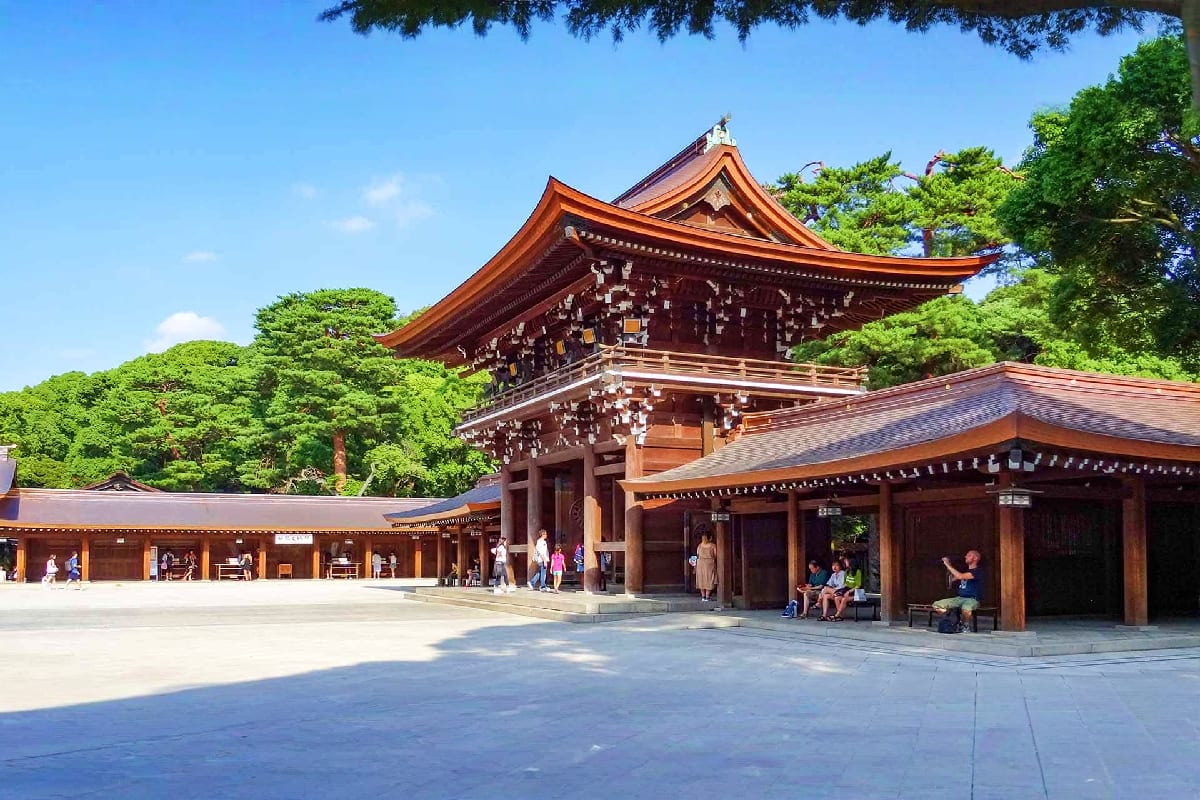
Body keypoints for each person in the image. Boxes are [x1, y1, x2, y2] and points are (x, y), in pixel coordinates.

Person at [933, 550, 984, 632]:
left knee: (966, 607)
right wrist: (948, 564)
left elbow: (960, 576)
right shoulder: (965, 571)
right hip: (959, 598)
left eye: (969, 555)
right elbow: (952, 579)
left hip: (972, 599)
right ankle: (952, 620)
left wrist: (947, 565)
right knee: (937, 605)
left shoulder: (977, 571)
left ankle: (964, 626)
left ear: (975, 558)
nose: (966, 557)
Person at [694, 533, 718, 602]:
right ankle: (707, 596)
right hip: (709, 563)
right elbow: (715, 555)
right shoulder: (712, 545)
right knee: (709, 578)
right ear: (710, 538)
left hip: (700, 563)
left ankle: (703, 596)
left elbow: (697, 554)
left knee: (701, 578)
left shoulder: (699, 545)